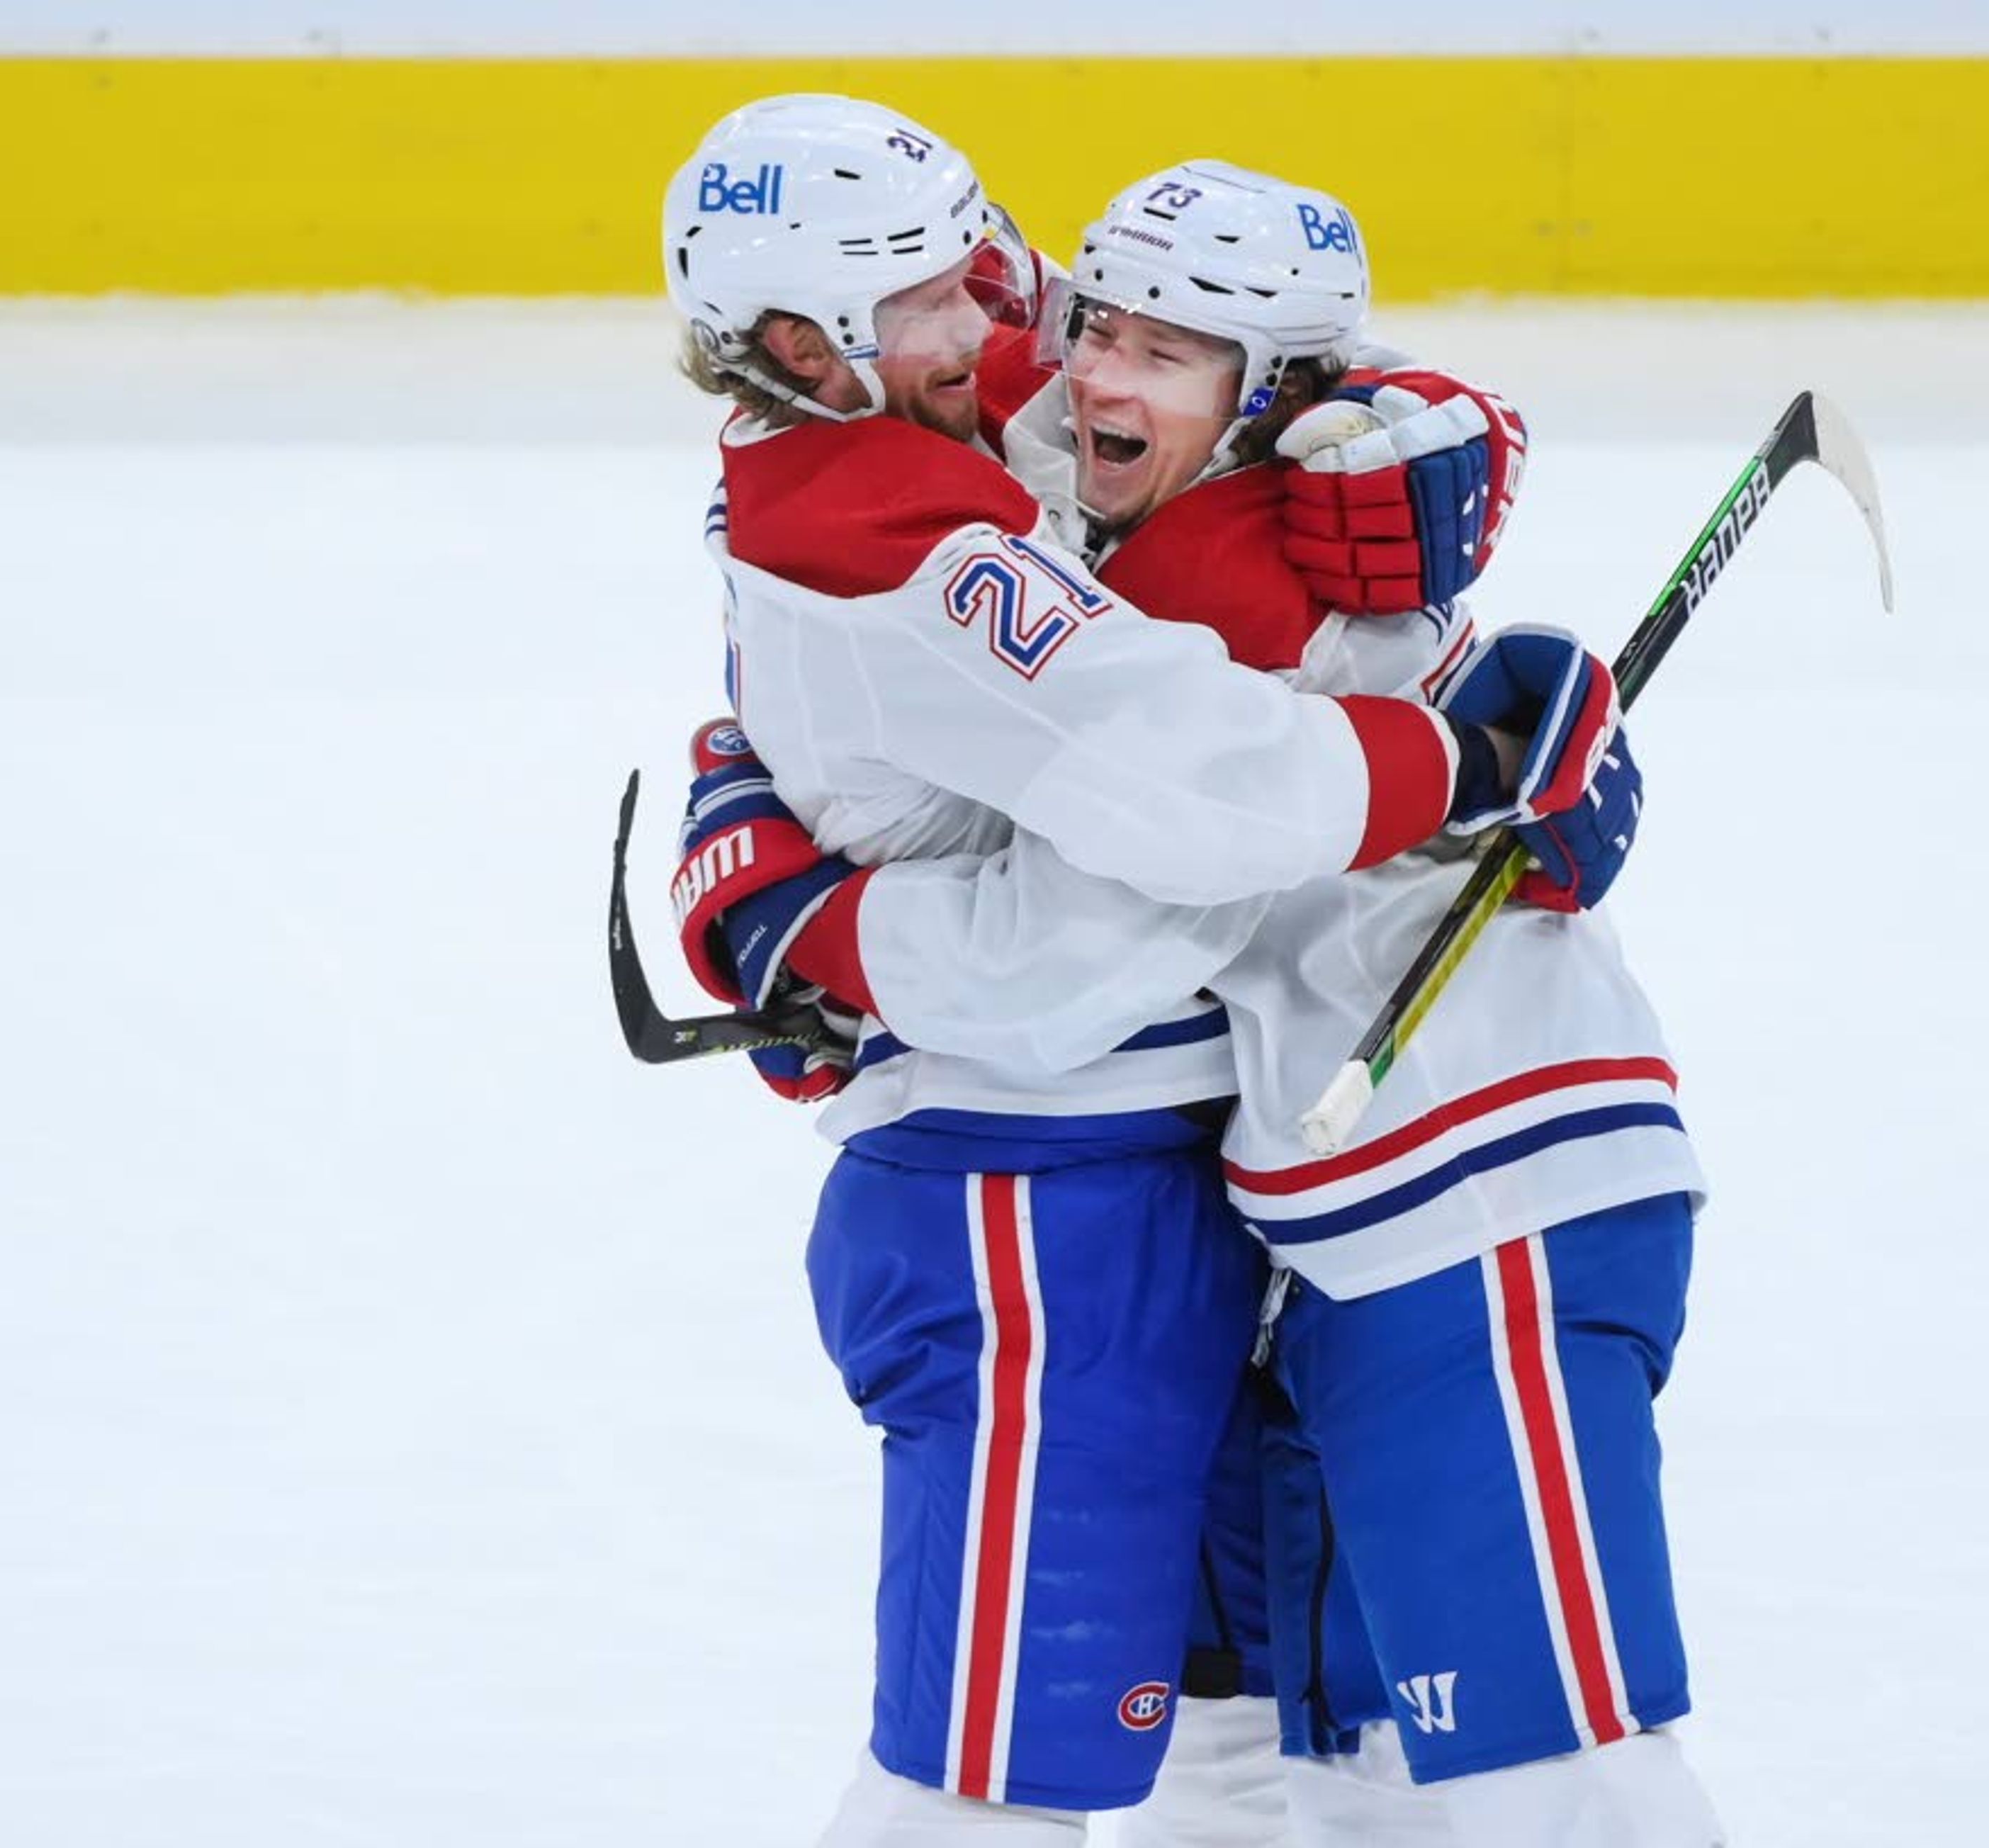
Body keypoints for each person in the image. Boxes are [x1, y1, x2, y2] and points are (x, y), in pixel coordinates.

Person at [700, 157, 1728, 1847]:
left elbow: (1081, 926)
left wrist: (827, 929)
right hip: (1271, 1231)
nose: (1089, 367)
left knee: (1559, 1769)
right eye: (1099, 320)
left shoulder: (1250, 587)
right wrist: (743, 768)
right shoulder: (1086, 517)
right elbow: (925, 556)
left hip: (1474, 1192)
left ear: (1286, 402)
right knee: (1280, 1749)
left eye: (1169, 348)